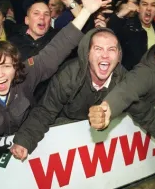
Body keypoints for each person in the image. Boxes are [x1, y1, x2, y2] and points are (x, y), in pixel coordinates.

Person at [0, 0, 111, 151]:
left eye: (6, 66)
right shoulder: (15, 41)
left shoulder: (26, 74)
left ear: (16, 66)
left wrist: (86, 10)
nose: (0, 74)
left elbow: (61, 44)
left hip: (34, 136)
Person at [11, 27, 125, 160]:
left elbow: (143, 110)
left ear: (118, 56)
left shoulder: (125, 80)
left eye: (111, 49)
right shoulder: (68, 75)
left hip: (100, 144)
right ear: (87, 53)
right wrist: (24, 140)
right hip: (66, 134)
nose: (105, 55)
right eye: (98, 49)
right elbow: (46, 110)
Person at [108, 0, 155, 70]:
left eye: (153, 5)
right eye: (144, 4)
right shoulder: (127, 27)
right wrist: (120, 15)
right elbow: (110, 34)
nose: (149, 8)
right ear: (138, 8)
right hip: (130, 78)